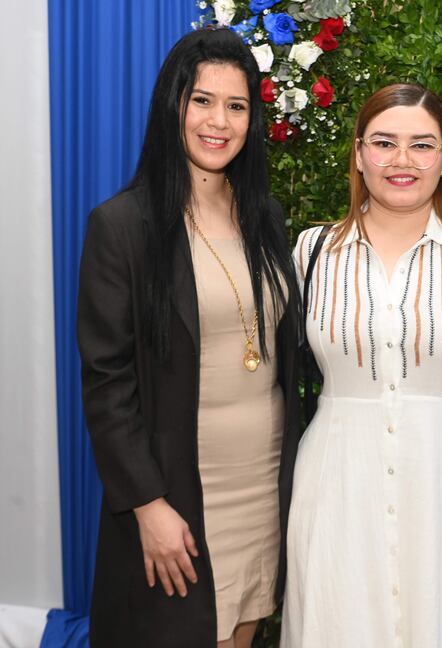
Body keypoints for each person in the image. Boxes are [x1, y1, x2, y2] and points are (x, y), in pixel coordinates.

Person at [77, 28, 301, 648]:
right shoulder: (123, 227)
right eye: (202, 100)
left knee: (245, 632)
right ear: (172, 104)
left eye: (236, 106)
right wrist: (146, 503)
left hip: (263, 483)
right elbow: (106, 381)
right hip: (178, 492)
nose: (219, 122)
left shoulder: (267, 219)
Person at [280, 84, 442, 648]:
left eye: (422, 145)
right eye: (385, 143)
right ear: (359, 154)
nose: (402, 160)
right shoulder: (311, 252)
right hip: (338, 487)